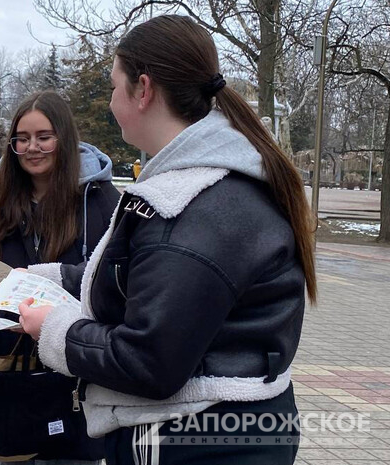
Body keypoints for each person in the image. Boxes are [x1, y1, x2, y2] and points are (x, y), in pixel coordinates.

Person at [19, 15, 316, 465]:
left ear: (143, 89)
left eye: (115, 87)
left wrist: (54, 329)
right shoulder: (221, 183)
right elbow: (150, 280)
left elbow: (148, 361)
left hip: (190, 440)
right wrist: (45, 278)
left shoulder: (185, 207)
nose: (111, 102)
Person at [0, 90, 120, 465]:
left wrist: (55, 290)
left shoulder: (100, 200)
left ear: (64, 138)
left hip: (74, 369)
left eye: (43, 137)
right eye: (22, 139)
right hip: (8, 371)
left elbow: (115, 278)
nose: (32, 148)